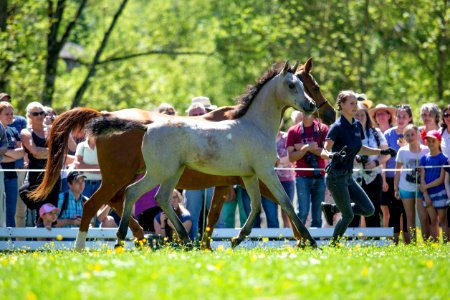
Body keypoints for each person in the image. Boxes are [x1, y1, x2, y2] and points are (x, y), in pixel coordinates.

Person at [319, 90, 395, 245]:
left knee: (369, 210)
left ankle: (333, 209)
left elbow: (360, 148)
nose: (355, 106)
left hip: (348, 176)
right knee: (348, 216)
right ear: (341, 105)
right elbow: (323, 151)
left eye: (356, 103)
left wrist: (382, 151)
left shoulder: (356, 125)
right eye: (352, 103)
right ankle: (333, 244)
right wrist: (333, 155)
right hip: (335, 176)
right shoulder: (336, 127)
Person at [183, 102, 225, 238]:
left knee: (217, 216)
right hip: (191, 182)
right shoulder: (181, 133)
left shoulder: (217, 131)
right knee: (191, 216)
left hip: (213, 179)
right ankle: (192, 245)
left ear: (206, 113)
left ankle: (220, 244)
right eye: (193, 114)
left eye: (200, 113)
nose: (197, 116)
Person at [20, 101, 61, 223]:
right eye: (35, 113)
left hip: (53, 175)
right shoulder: (26, 132)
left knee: (52, 210)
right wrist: (52, 152)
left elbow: (61, 151)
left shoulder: (53, 130)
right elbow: (35, 153)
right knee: (41, 211)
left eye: (42, 113)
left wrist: (45, 152)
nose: (39, 116)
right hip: (36, 176)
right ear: (29, 116)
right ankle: (39, 240)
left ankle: (50, 241)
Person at [287, 113, 328, 228]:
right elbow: (291, 157)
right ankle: (300, 239)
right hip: (302, 177)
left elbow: (326, 154)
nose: (306, 112)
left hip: (319, 175)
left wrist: (303, 147)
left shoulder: (323, 128)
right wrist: (307, 147)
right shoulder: (293, 131)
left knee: (317, 214)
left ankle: (315, 241)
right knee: (302, 212)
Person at [352, 102, 389, 228]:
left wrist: (375, 162)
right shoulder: (348, 133)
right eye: (356, 115)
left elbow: (387, 153)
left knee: (373, 211)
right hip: (354, 179)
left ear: (367, 116)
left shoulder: (375, 132)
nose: (360, 117)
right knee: (352, 212)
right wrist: (353, 160)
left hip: (374, 177)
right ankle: (350, 243)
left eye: (362, 114)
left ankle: (374, 241)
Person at [394, 124, 429, 243]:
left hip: (421, 188)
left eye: (412, 134)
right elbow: (397, 172)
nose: (410, 137)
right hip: (405, 188)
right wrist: (395, 189)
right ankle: (412, 244)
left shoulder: (426, 150)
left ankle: (427, 243)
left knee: (424, 217)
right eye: (407, 135)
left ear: (418, 134)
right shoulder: (402, 151)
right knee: (410, 217)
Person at [383, 105, 413, 242]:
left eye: (404, 116)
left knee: (408, 212)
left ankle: (409, 242)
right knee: (393, 211)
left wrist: (405, 148)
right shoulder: (388, 134)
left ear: (410, 118)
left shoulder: (413, 134)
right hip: (390, 177)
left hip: (409, 179)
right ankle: (392, 243)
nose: (400, 119)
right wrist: (383, 179)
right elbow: (383, 158)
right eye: (398, 116)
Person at [419, 130, 449, 242]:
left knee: (443, 219)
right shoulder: (423, 159)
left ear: (439, 142)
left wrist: (425, 187)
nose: (431, 143)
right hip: (427, 195)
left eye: (433, 141)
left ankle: (446, 243)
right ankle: (435, 244)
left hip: (440, 192)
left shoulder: (444, 158)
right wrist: (426, 194)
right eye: (429, 141)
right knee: (433, 220)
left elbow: (441, 179)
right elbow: (422, 178)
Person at [0, 101, 24, 227]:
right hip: (1, 174)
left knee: (11, 211)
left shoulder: (13, 130)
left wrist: (4, 152)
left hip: (12, 176)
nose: (10, 116)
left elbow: (20, 153)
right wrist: (12, 154)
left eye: (11, 113)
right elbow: (14, 154)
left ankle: (11, 241)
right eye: (6, 114)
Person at [276, 126, 296, 228]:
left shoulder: (287, 137)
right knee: (272, 214)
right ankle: (274, 239)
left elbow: (291, 158)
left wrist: (276, 162)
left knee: (287, 213)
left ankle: (288, 235)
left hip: (287, 180)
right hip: (271, 181)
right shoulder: (265, 137)